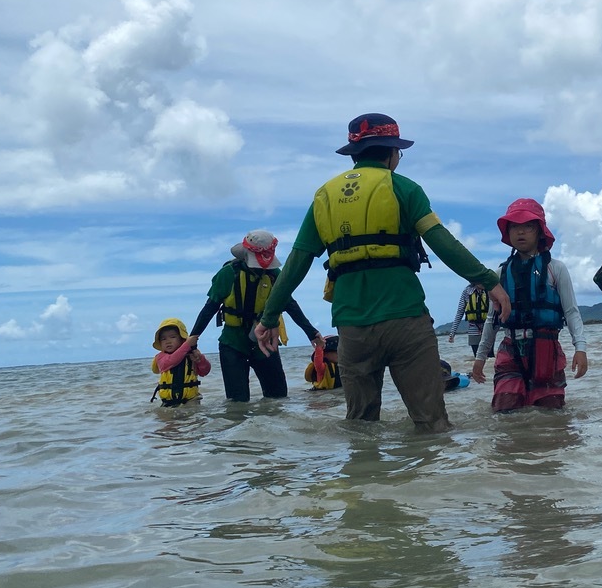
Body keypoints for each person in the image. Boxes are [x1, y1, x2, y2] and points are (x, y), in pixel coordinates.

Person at [256, 113, 510, 432]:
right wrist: (488, 280)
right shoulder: (404, 188)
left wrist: (268, 319)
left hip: (353, 326)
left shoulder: (324, 196)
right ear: (391, 153)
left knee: (361, 428)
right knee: (431, 423)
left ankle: (365, 478)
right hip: (405, 319)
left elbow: (296, 263)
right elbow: (443, 242)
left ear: (355, 154)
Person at [471, 198, 588, 410]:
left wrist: (580, 348)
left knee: (550, 413)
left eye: (528, 226)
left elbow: (571, 312)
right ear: (508, 232)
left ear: (540, 231)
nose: (520, 232)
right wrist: (480, 358)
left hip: (547, 349)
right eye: (515, 226)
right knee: (505, 408)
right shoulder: (500, 274)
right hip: (510, 349)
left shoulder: (556, 269)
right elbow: (492, 320)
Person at [189, 231, 322, 402]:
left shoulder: (275, 275)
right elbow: (210, 308)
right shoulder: (228, 274)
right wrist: (194, 338)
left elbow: (290, 304)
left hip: (265, 343)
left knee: (278, 399)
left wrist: (311, 332)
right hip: (233, 343)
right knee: (237, 404)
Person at [151, 319, 212, 407]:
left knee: (193, 418)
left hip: (191, 400)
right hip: (168, 402)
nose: (168, 341)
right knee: (166, 419)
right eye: (163, 339)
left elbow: (205, 371)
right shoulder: (160, 357)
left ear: (182, 339)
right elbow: (172, 361)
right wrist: (187, 345)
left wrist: (200, 360)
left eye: (173, 337)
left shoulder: (191, 355)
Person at [448, 283, 490, 356]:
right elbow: (460, 312)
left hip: (488, 328)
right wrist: (452, 333)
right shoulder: (467, 291)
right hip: (473, 329)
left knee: (490, 357)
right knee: (477, 356)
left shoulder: (489, 290)